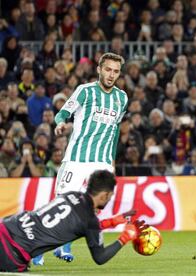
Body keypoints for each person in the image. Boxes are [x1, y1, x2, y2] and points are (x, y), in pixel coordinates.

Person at [35, 53, 128, 265]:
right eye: (108, 69)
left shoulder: (121, 98)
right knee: (61, 206)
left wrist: (112, 162)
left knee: (93, 208)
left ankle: (65, 246)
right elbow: (62, 113)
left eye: (115, 71)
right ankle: (40, 248)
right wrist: (59, 123)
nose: (111, 75)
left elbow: (114, 132)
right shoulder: (85, 91)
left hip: (102, 162)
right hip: (77, 158)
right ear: (99, 69)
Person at [0, 170, 146, 272]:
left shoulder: (71, 195)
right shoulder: (89, 220)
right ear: (104, 195)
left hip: (6, 226)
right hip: (13, 252)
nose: (109, 199)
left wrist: (113, 222)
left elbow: (74, 226)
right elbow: (100, 257)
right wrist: (125, 237)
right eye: (110, 196)